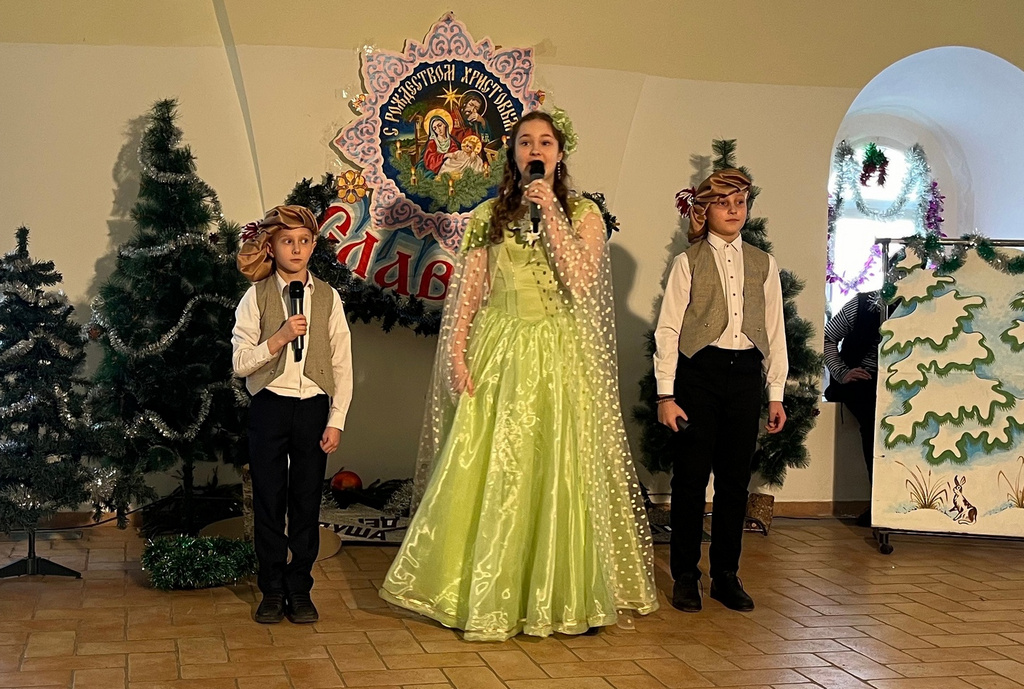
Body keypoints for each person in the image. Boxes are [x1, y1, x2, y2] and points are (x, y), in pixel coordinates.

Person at [380, 111, 658, 641]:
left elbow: (580, 282)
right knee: (493, 469)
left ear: (559, 153)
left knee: (560, 468)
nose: (536, 149)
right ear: (513, 153)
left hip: (559, 354)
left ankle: (563, 594)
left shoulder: (584, 213)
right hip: (500, 348)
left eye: (545, 142)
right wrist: (457, 354)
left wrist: (550, 208)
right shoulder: (489, 215)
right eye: (526, 141)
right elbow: (470, 293)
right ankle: (481, 592)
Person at [654, 169, 788, 613]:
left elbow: (775, 330)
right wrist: (666, 395)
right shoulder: (687, 262)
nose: (733, 210)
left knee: (734, 482)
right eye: (723, 203)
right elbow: (669, 329)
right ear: (705, 209)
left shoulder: (763, 263)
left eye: (740, 202)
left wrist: (775, 392)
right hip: (700, 374)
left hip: (746, 375)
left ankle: (726, 575)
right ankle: (685, 576)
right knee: (691, 479)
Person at [232, 205, 353, 624]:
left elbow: (342, 364)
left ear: (314, 245)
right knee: (269, 499)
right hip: (270, 405)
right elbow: (240, 362)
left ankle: (299, 588)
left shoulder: (328, 298)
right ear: (272, 246)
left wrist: (336, 419)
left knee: (305, 500)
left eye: (304, 241)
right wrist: (279, 338)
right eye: (287, 241)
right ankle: (271, 588)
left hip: (313, 408)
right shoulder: (256, 296)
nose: (296, 249)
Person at [823, 290, 884, 526]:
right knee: (872, 427)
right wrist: (842, 372)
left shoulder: (923, 303)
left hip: (905, 381)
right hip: (864, 380)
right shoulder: (863, 303)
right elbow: (828, 337)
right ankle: (879, 505)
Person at [422, 110, 460, 176]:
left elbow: (456, 154)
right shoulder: (432, 142)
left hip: (451, 166)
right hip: (436, 168)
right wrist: (445, 155)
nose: (438, 130)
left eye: (439, 125)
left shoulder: (452, 141)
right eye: (435, 128)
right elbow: (430, 159)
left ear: (445, 124)